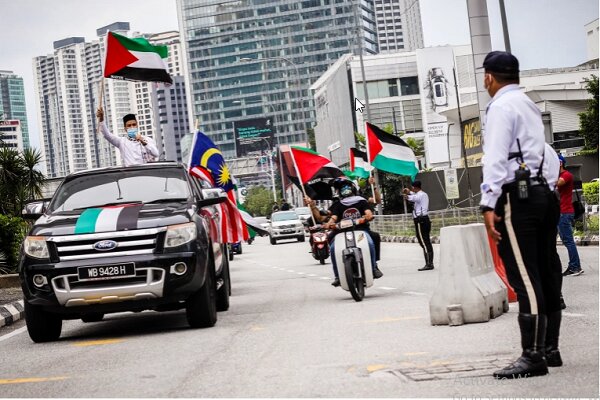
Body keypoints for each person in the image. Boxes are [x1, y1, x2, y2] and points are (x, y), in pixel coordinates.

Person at [479, 51, 562, 379]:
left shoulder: (499, 106)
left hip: (518, 197)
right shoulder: (527, 104)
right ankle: (550, 349)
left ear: (489, 77)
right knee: (544, 270)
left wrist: (488, 203)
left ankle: (532, 355)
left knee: (525, 277)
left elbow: (496, 159)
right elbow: (546, 155)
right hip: (543, 192)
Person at [305, 178, 383, 287]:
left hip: (361, 231)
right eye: (341, 188)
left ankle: (374, 267)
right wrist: (313, 206)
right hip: (341, 233)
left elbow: (373, 205)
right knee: (332, 248)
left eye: (347, 186)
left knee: (371, 242)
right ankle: (337, 275)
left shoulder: (361, 200)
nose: (345, 190)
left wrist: (373, 186)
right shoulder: (338, 204)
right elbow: (325, 218)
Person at [557, 154, 583, 276]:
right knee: (567, 240)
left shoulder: (566, 175)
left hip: (565, 212)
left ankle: (575, 266)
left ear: (560, 163)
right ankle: (575, 265)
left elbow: (557, 183)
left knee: (568, 241)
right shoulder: (560, 175)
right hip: (562, 212)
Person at [402, 180, 434, 271]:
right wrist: (409, 193)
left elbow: (414, 198)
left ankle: (429, 263)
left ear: (414, 187)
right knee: (425, 241)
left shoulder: (421, 195)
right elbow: (414, 196)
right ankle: (429, 263)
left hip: (421, 220)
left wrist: (407, 196)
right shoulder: (421, 194)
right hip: (422, 220)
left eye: (412, 188)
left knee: (424, 242)